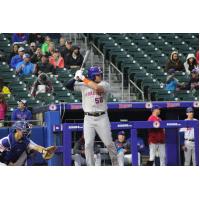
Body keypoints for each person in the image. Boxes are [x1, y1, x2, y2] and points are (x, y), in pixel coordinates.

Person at [66, 66, 118, 166]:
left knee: (108, 143)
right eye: (98, 75)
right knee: (88, 144)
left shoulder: (105, 84)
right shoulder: (83, 85)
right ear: (93, 76)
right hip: (88, 118)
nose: (100, 76)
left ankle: (115, 164)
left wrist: (82, 78)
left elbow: (97, 88)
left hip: (102, 117)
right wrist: (75, 78)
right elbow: (68, 86)